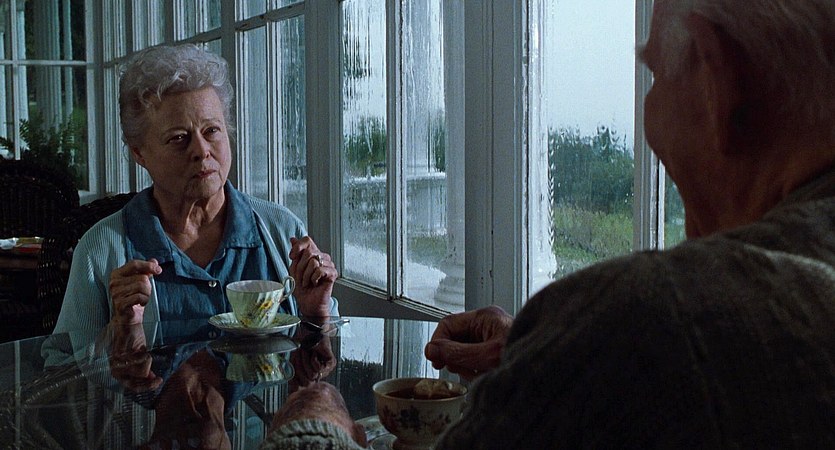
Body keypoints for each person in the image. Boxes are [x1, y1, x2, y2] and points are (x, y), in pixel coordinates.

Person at [262, 0, 835, 448]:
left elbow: (674, 340)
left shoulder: (652, 320)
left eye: (657, 75)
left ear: (719, 80)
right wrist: (544, 359)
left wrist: (315, 423)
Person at [51, 44, 339, 338]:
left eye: (211, 131)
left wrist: (316, 314)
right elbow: (59, 363)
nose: (201, 151)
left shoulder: (282, 230)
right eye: (178, 138)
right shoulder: (99, 249)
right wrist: (118, 334)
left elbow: (327, 356)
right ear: (139, 153)